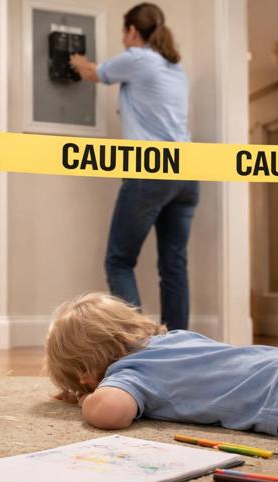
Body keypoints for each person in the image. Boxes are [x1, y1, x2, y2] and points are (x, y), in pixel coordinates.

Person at [43, 292, 278, 442]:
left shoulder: (131, 373)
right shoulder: (176, 338)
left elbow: (110, 412)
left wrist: (85, 401)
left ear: (86, 377)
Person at [69, 3, 197, 330]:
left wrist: (76, 59)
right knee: (174, 266)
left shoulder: (138, 58)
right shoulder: (175, 68)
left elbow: (92, 73)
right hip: (187, 173)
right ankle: (179, 344)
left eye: (124, 32)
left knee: (119, 261)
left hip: (150, 171)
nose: (123, 39)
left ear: (132, 31)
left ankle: (138, 345)